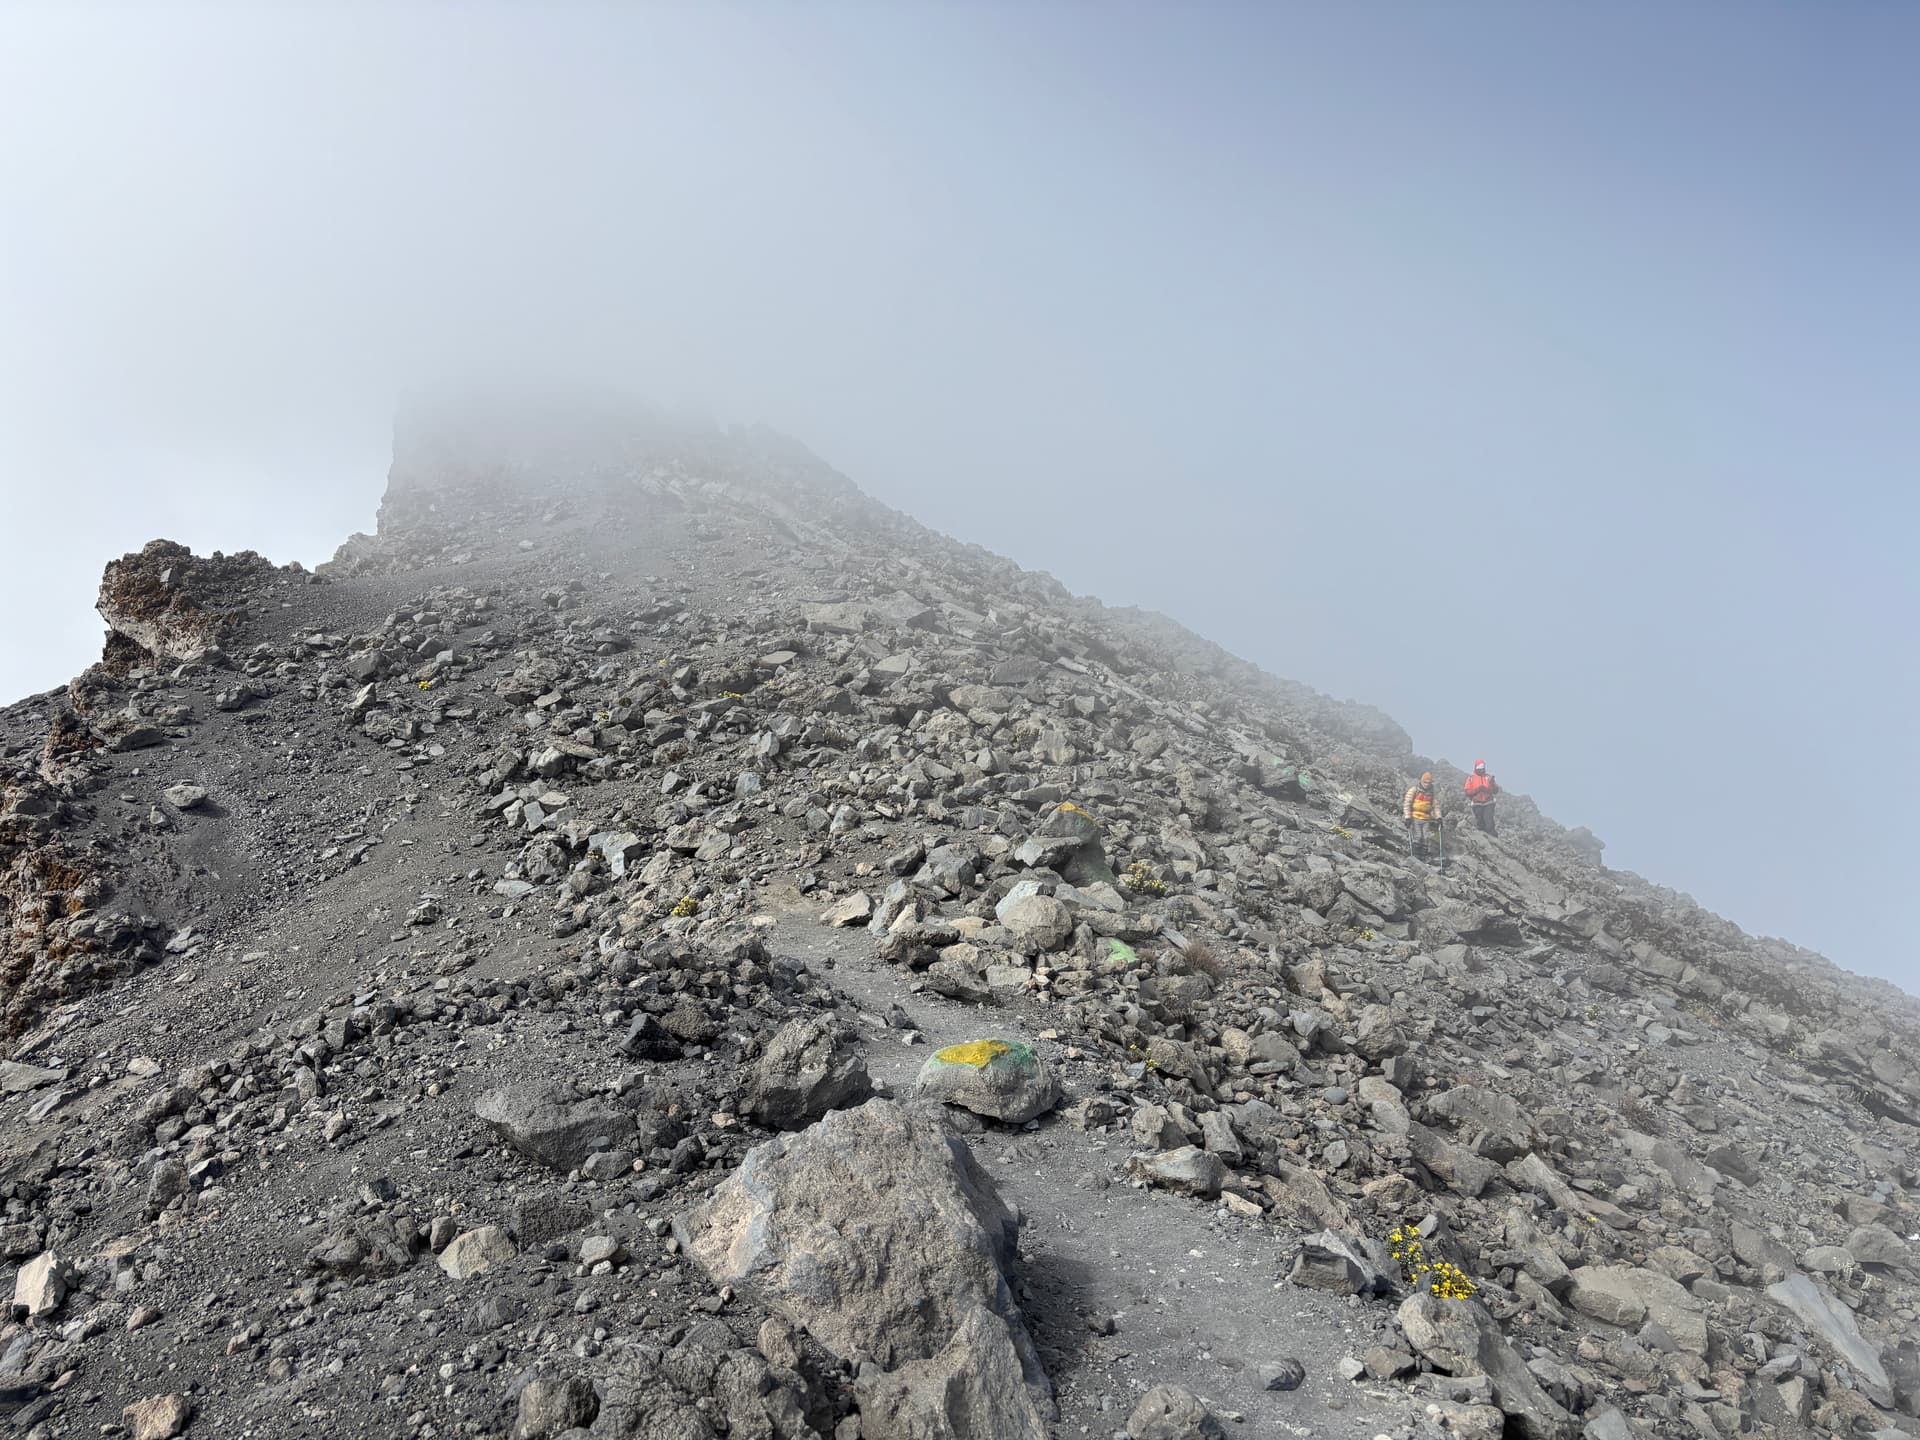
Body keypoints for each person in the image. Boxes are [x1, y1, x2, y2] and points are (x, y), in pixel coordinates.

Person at [1403, 771, 1439, 859]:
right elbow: (1407, 803)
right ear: (1421, 781)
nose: (1427, 784)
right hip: (1415, 817)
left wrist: (1439, 817)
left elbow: (1436, 806)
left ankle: (1423, 856)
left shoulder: (1432, 793)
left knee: (1426, 838)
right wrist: (1407, 817)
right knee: (1418, 837)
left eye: (1429, 783)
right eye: (1425, 782)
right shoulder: (1414, 790)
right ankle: (1416, 856)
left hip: (1426, 819)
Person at [1464, 759, 1500, 835]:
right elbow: (1467, 792)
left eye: (1482, 768)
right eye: (1479, 769)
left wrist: (1492, 783)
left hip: (1489, 802)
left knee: (1489, 821)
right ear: (1476, 768)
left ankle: (1492, 837)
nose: (1481, 770)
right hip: (1477, 803)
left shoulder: (1488, 777)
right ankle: (1482, 837)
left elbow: (1496, 791)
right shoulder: (1471, 778)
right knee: (1480, 822)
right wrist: (1477, 789)